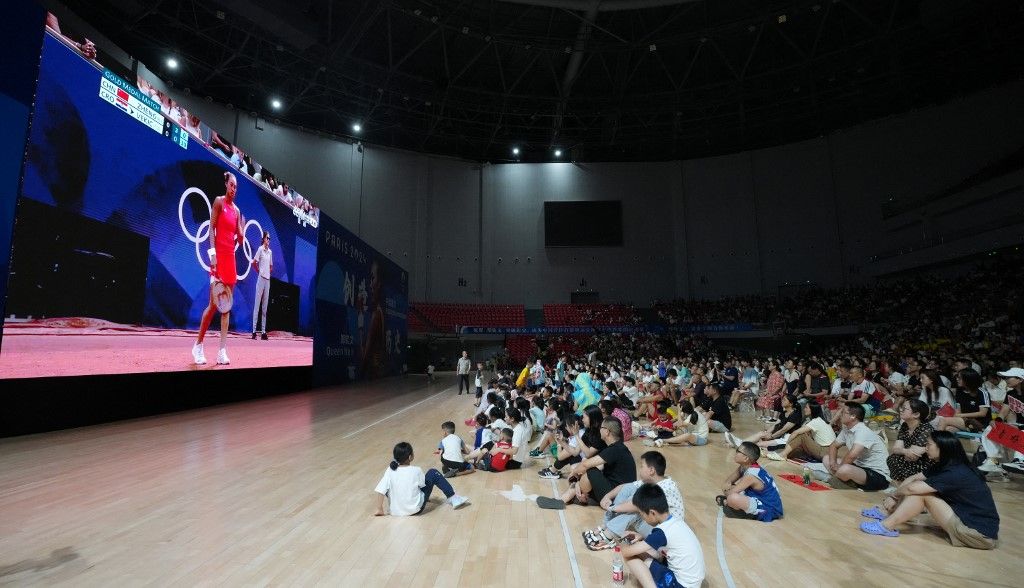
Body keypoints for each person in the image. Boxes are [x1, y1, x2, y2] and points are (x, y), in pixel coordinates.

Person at [859, 431, 999, 549]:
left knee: (921, 494)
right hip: (970, 525)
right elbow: (913, 479)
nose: (926, 448)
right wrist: (893, 498)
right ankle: (886, 513)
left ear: (942, 448)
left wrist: (894, 496)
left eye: (929, 445)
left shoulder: (956, 472)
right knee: (916, 488)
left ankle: (886, 526)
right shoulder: (945, 465)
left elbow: (913, 488)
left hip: (979, 535)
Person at [582, 451, 686, 551]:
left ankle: (608, 537)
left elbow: (635, 505)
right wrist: (607, 496)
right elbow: (625, 486)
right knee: (629, 489)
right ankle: (606, 526)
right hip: (656, 524)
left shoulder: (665, 487)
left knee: (639, 509)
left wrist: (612, 508)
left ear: (651, 470)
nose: (639, 469)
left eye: (641, 466)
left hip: (665, 535)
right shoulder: (656, 481)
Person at [192, 172, 245, 366]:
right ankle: (198, 345)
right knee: (214, 305)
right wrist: (212, 255)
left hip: (231, 261)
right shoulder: (218, 203)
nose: (233, 189)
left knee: (226, 308)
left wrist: (242, 232)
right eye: (231, 185)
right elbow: (211, 230)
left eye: (236, 187)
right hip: (218, 259)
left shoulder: (237, 211)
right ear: (226, 184)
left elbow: (239, 239)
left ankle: (222, 351)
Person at [620, 484, 706, 588]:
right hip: (693, 583)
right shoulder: (675, 522)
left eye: (642, 514)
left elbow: (626, 552)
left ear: (652, 513)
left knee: (630, 558)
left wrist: (623, 541)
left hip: (680, 585)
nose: (643, 518)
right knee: (647, 555)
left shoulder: (662, 532)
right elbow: (660, 553)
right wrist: (641, 538)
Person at [539, 418, 636, 508]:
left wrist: (573, 473)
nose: (599, 430)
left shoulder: (616, 449)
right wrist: (578, 483)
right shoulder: (617, 448)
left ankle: (566, 498)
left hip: (617, 496)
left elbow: (586, 465)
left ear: (607, 431)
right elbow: (599, 467)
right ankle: (568, 497)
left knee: (590, 471)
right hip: (614, 491)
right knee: (588, 471)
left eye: (601, 428)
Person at [373, 442, 469, 515]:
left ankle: (396, 502)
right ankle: (453, 497)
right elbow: (422, 485)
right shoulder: (416, 470)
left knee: (387, 484)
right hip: (415, 510)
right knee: (433, 472)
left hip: (395, 511)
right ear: (410, 457)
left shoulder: (390, 470)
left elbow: (380, 490)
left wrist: (379, 509)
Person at [824, 402, 892, 491]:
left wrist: (839, 467)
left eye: (843, 412)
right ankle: (847, 481)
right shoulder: (846, 429)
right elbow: (833, 446)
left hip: (878, 475)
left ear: (853, 416)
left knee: (844, 469)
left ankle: (844, 480)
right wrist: (833, 463)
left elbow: (852, 455)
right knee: (826, 459)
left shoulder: (863, 431)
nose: (840, 414)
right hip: (859, 467)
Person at [715, 441, 783, 522]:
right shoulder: (745, 466)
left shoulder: (751, 474)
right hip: (759, 498)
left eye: (738, 451)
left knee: (732, 498)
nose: (735, 452)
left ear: (746, 458)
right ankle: (731, 504)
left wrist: (728, 491)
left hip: (769, 509)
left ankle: (743, 512)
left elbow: (729, 491)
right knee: (733, 492)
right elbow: (728, 482)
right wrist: (728, 488)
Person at [764, 401, 836, 462]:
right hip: (829, 452)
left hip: (825, 451)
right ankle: (778, 453)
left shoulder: (816, 421)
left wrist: (787, 444)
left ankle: (782, 454)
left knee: (801, 435)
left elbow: (796, 432)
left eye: (806, 407)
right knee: (797, 448)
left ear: (812, 410)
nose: (804, 409)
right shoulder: (820, 420)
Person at [885, 399, 935, 483]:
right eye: (902, 407)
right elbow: (895, 449)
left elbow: (913, 456)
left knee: (898, 461)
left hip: (924, 463)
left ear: (916, 414)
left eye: (904, 408)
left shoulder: (925, 429)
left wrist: (903, 451)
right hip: (907, 458)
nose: (901, 410)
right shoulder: (905, 425)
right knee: (892, 458)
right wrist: (905, 451)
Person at [250, 231, 273, 340]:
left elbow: (271, 266)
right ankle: (254, 331)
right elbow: (253, 262)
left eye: (269, 239)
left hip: (267, 281)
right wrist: (260, 271)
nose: (268, 240)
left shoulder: (270, 252)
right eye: (267, 238)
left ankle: (263, 332)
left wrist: (267, 272)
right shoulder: (260, 249)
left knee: (265, 307)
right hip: (260, 280)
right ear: (263, 238)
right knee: (257, 305)